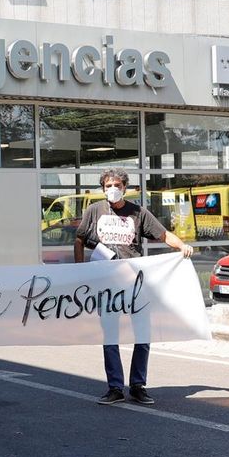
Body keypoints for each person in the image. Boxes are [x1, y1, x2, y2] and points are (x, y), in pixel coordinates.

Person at [74, 168, 195, 406]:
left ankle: (138, 385)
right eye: (108, 185)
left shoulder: (138, 213)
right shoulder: (94, 210)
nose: (112, 189)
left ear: (125, 188)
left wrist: (181, 246)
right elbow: (79, 240)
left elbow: (163, 235)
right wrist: (80, 270)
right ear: (102, 188)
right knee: (110, 335)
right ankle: (115, 388)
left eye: (117, 185)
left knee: (142, 334)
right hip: (107, 284)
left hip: (135, 283)